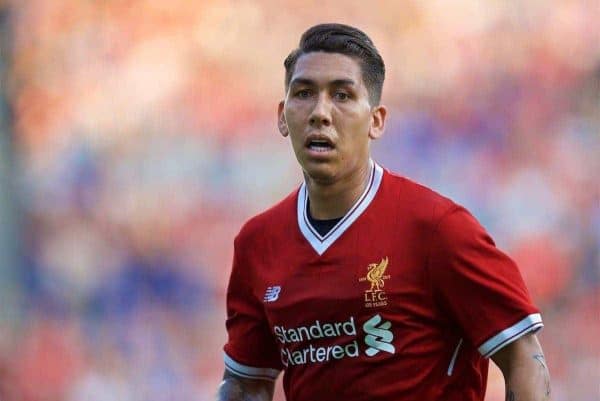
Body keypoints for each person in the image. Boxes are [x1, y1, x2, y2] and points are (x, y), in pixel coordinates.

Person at [217, 23, 552, 401]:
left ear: (375, 120)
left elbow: (523, 357)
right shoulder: (258, 243)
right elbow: (247, 383)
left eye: (342, 95)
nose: (320, 112)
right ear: (282, 116)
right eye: (304, 93)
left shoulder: (437, 229)